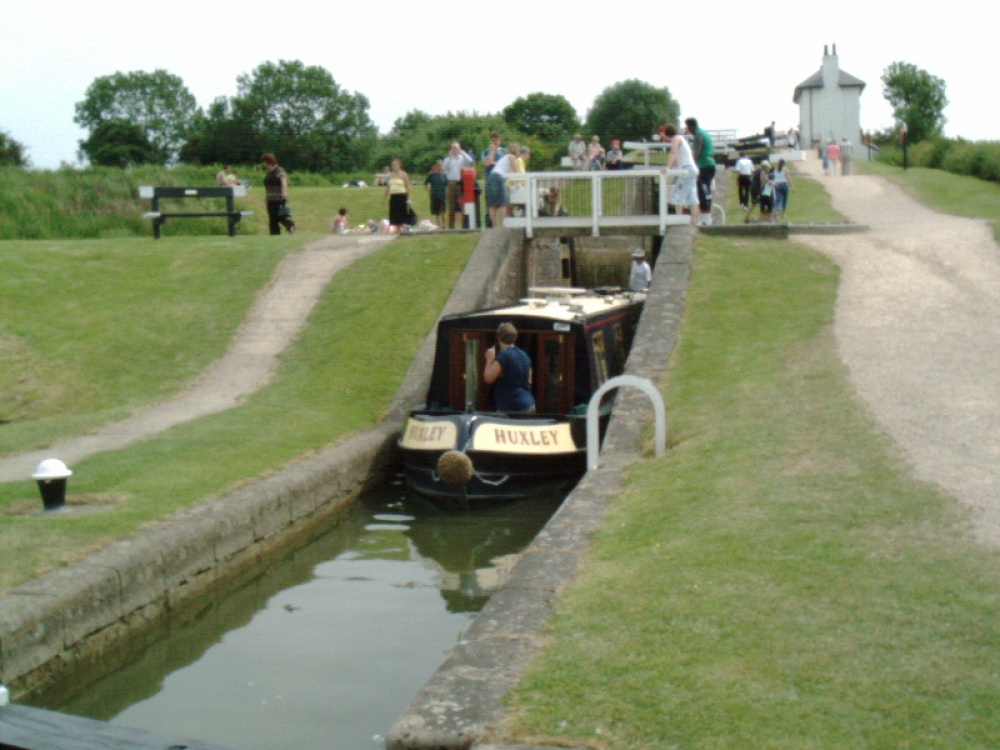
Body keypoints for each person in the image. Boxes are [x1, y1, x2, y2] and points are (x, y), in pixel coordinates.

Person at [483, 322, 535, 413]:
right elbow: (529, 381)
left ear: (499, 338)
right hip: (529, 404)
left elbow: (488, 378)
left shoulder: (504, 356)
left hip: (511, 406)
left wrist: (489, 359)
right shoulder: (524, 355)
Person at [662, 124, 700, 225]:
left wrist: (668, 167)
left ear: (667, 134)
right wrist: (671, 165)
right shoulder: (682, 139)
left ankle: (679, 218)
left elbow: (673, 153)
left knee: (678, 194)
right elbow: (677, 158)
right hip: (693, 169)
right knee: (692, 194)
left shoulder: (676, 139)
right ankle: (693, 219)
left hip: (686, 169)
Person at [685, 117, 715, 226]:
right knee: (706, 191)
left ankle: (705, 219)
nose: (687, 129)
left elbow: (696, 153)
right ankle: (705, 218)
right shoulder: (704, 133)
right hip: (710, 164)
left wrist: (689, 164)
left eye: (687, 127)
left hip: (704, 166)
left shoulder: (698, 135)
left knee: (702, 191)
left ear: (691, 126)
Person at [442, 141, 475, 229]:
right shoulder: (448, 159)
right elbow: (445, 168)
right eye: (453, 148)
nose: (455, 150)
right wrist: (450, 156)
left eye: (456, 148)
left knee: (462, 205)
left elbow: (471, 161)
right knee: (451, 205)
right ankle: (451, 226)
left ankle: (464, 226)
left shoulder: (462, 158)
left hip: (461, 182)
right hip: (451, 182)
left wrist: (462, 152)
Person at [261, 153, 295, 235]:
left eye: (264, 162)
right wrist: (266, 197)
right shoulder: (269, 172)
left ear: (268, 161)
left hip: (279, 198)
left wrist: (284, 191)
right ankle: (274, 234)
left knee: (279, 216)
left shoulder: (278, 170)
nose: (263, 164)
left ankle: (290, 224)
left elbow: (283, 180)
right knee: (272, 218)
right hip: (270, 198)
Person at [487, 144, 520, 227]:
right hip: (499, 177)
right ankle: (503, 225)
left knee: (493, 204)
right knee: (503, 203)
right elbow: (517, 173)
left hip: (492, 176)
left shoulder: (504, 158)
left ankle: (494, 226)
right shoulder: (511, 157)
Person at [384, 158, 412, 230]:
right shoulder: (390, 175)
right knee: (394, 213)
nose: (394, 166)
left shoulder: (403, 174)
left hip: (401, 196)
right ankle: (397, 228)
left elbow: (408, 186)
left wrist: (409, 198)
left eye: (395, 165)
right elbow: (388, 187)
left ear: (399, 165)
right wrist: (384, 198)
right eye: (393, 165)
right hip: (393, 196)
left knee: (401, 213)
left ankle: (402, 227)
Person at [425, 159, 449, 227]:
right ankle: (439, 225)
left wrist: (447, 193)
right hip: (434, 195)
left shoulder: (444, 175)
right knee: (436, 212)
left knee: (443, 211)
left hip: (442, 195)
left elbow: (447, 185)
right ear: (436, 166)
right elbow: (425, 183)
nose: (439, 167)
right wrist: (429, 191)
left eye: (441, 165)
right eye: (438, 165)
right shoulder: (432, 175)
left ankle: (444, 225)